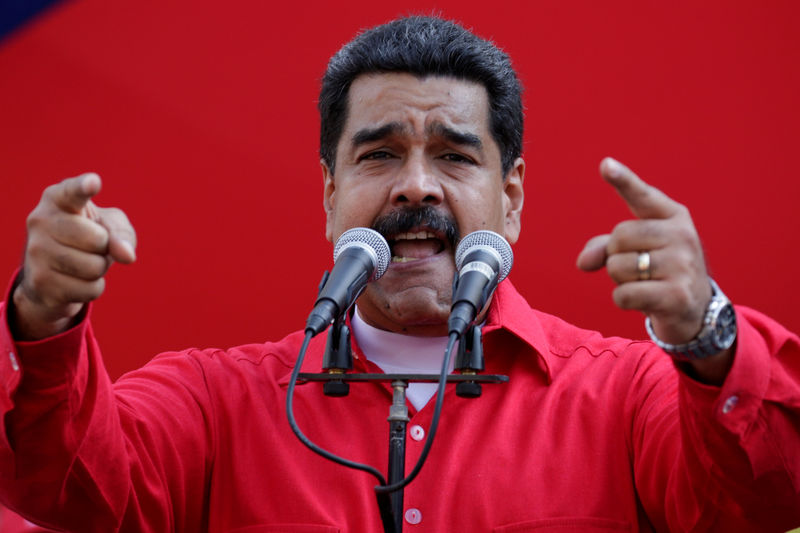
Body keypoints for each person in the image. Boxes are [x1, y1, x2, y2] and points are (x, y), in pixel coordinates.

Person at [1, 15, 798, 533]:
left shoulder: (628, 395)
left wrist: (710, 333)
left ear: (510, 197)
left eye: (454, 155)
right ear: (329, 195)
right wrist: (42, 316)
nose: (416, 185)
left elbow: (763, 499)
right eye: (380, 154)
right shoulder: (218, 403)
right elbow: (70, 491)